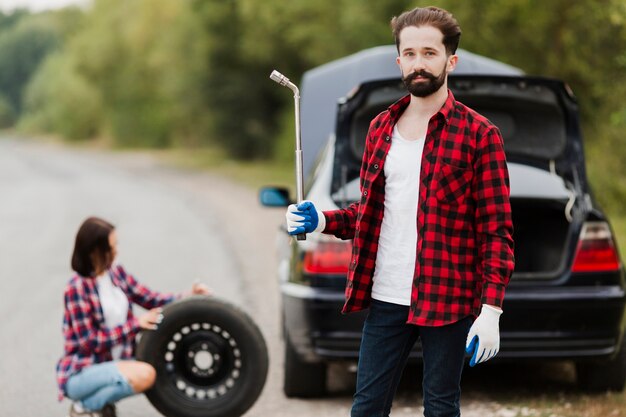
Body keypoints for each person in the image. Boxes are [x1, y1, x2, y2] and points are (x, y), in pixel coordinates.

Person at [285, 6, 514, 417]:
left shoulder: (480, 134)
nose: (419, 63)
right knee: (367, 408)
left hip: (448, 297)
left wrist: (491, 310)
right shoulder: (380, 128)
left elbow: (496, 231)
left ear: (450, 60)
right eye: (410, 54)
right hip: (387, 295)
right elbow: (371, 213)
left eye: (429, 53)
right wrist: (321, 219)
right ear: (399, 60)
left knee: (441, 408)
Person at [56, 217, 210, 417]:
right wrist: (135, 325)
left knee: (166, 368)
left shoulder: (116, 273)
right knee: (145, 375)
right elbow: (89, 341)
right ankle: (85, 407)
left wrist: (188, 296)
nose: (116, 250)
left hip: (117, 362)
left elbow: (150, 299)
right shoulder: (77, 288)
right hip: (83, 372)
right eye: (112, 246)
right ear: (95, 250)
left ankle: (101, 406)